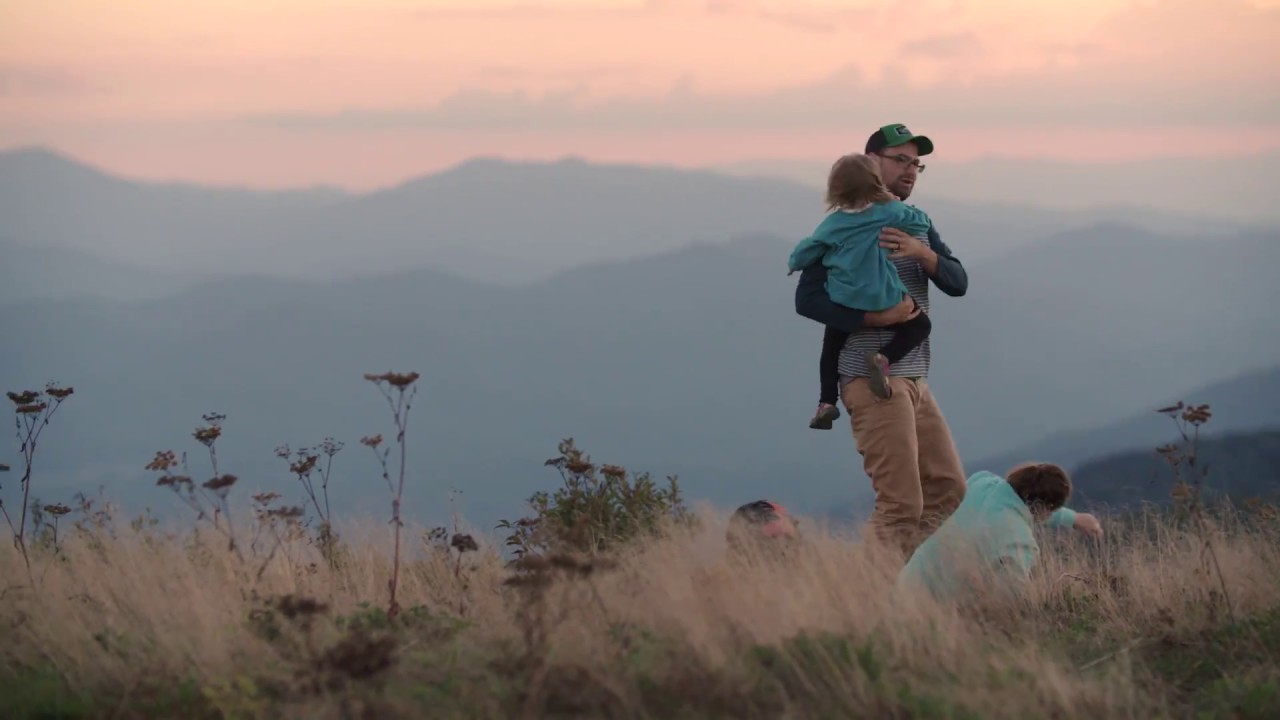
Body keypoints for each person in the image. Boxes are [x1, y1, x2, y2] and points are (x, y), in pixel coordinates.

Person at [794, 122, 965, 561]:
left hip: (916, 379)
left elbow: (958, 282)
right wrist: (875, 317)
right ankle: (871, 601)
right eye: (900, 160)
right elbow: (807, 299)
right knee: (900, 505)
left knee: (947, 490)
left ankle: (908, 585)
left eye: (916, 164)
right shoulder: (843, 228)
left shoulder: (915, 224)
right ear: (872, 163)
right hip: (871, 381)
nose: (910, 170)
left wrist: (923, 254)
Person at [788, 153, 935, 423]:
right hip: (884, 294)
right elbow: (920, 222)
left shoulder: (833, 223)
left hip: (845, 296)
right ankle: (884, 358)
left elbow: (809, 247)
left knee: (832, 346)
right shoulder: (885, 212)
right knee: (920, 325)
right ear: (876, 183)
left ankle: (826, 402)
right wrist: (893, 203)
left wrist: (793, 263)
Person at [896, 463, 1104, 604]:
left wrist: (1073, 519)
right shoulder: (1017, 543)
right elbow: (1011, 602)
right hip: (934, 615)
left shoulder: (981, 483)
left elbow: (1021, 506)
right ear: (1043, 507)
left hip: (902, 589)